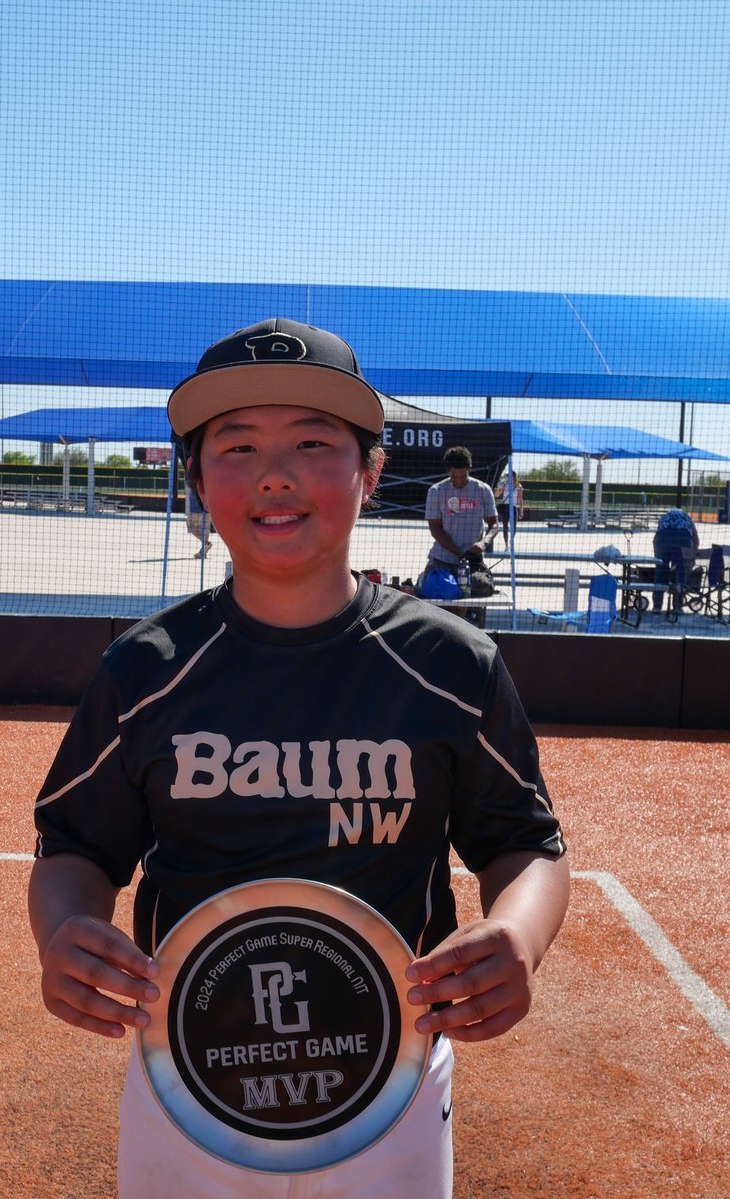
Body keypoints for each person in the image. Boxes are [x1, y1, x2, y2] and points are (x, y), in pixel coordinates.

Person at [29, 317, 569, 1199]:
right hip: (187, 1077)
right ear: (197, 478)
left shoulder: (449, 665)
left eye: (313, 442)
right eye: (234, 446)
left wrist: (520, 934)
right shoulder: (146, 668)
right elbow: (76, 851)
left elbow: (527, 846)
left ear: (373, 471)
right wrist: (63, 933)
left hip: (391, 1078)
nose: (274, 472)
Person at [425, 446, 497, 571]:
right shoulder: (436, 491)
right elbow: (434, 528)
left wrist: (484, 542)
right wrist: (458, 552)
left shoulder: (483, 490)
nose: (458, 481)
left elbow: (494, 524)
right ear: (448, 471)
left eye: (463, 477)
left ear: (469, 469)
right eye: (454, 477)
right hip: (442, 560)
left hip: (473, 560)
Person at [652, 507, 699, 613]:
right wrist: (693, 555)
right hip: (683, 541)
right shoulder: (686, 517)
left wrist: (658, 554)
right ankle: (677, 606)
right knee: (680, 571)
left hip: (662, 541)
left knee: (661, 570)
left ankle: (657, 607)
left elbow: (658, 535)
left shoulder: (665, 517)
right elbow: (695, 538)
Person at [494, 471, 523, 547]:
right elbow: (497, 495)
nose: (508, 478)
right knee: (505, 526)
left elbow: (520, 499)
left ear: (513, 477)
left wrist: (521, 510)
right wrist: (498, 486)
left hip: (513, 507)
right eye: (507, 476)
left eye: (509, 476)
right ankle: (506, 545)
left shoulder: (518, 486)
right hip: (505, 507)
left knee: (514, 527)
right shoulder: (504, 484)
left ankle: (511, 540)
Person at [184, 480, 212, 557]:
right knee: (205, 529)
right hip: (208, 504)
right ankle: (203, 552)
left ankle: (205, 543)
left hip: (195, 505)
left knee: (191, 527)